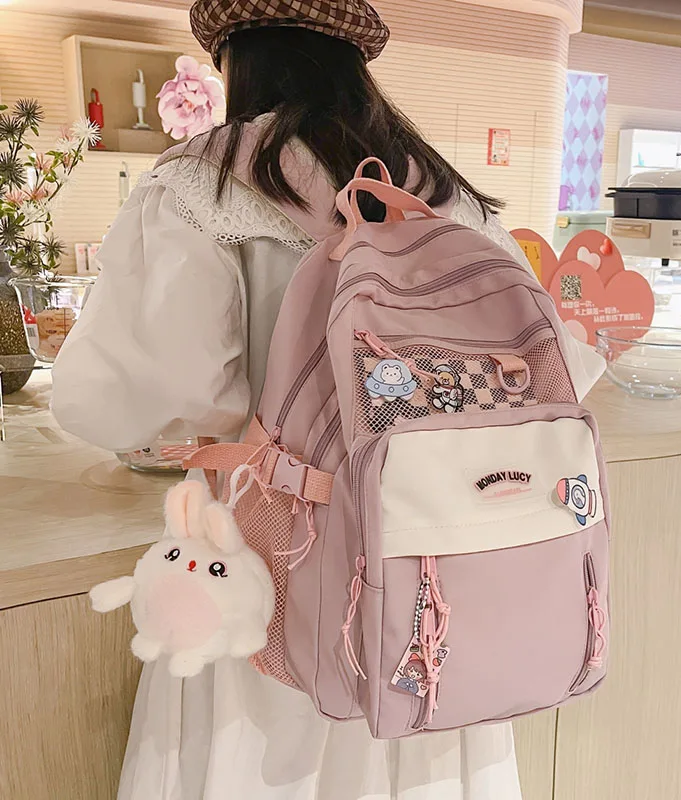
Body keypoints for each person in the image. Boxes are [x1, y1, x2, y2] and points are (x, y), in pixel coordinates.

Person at [52, 2, 605, 797]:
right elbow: (546, 370)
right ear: (354, 61)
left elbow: (135, 398)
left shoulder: (201, 184)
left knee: (269, 751)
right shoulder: (443, 194)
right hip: (441, 571)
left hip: (270, 569)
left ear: (235, 59)